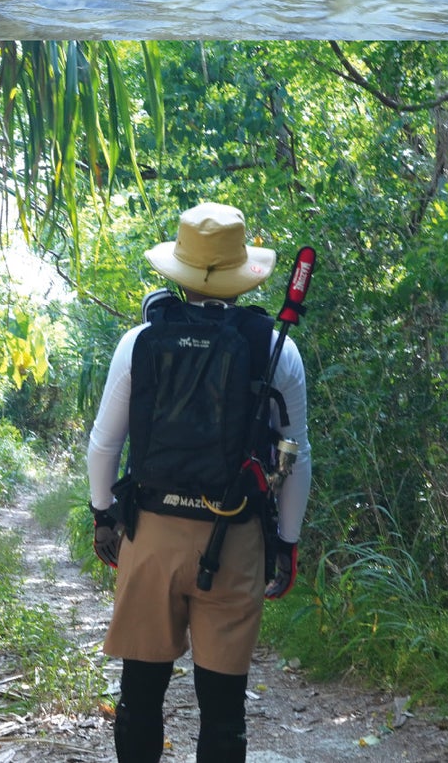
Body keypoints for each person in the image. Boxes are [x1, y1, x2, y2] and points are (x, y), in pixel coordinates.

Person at [86, 202, 311, 763]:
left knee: (141, 690)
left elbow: (103, 446)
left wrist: (102, 516)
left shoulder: (140, 341)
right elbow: (297, 457)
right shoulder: (276, 348)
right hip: (234, 538)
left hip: (151, 533)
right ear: (241, 273)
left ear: (178, 272)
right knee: (223, 705)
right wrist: (284, 542)